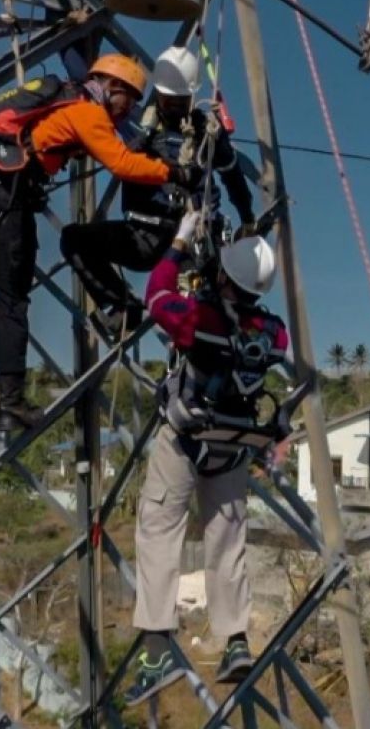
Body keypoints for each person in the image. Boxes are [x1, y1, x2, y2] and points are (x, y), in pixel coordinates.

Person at [0, 54, 202, 434]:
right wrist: (174, 171)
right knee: (13, 300)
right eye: (129, 100)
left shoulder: (67, 105)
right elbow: (124, 164)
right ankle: (11, 405)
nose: (129, 111)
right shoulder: (88, 113)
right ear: (113, 87)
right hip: (8, 198)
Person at [125, 211, 287, 705]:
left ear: (224, 273)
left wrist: (177, 242)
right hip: (232, 445)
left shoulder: (200, 319)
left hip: (186, 437)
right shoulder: (274, 332)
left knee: (159, 530)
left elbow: (156, 296)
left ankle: (156, 651)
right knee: (226, 541)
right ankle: (235, 640)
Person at [59, 46, 255, 338]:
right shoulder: (141, 131)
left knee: (203, 326)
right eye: (169, 99)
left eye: (179, 100)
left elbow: (232, 176)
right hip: (145, 235)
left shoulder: (207, 133)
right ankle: (122, 308)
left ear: (190, 96)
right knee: (74, 239)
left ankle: (211, 357)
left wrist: (247, 218)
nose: (174, 105)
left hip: (194, 244)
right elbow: (113, 151)